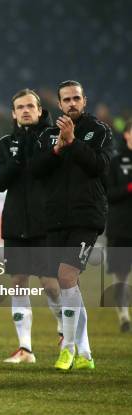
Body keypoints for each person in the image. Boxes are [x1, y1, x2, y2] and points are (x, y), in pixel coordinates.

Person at [32, 80, 112, 370]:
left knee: (66, 277)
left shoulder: (99, 131)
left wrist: (73, 142)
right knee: (68, 285)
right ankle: (86, 353)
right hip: (56, 218)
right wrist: (56, 148)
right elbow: (36, 171)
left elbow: (99, 167)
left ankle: (66, 348)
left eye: (76, 98)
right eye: (66, 100)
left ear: (85, 100)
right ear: (58, 103)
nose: (72, 104)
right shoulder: (48, 136)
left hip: (86, 216)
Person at [0, 89, 63, 363]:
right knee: (18, 282)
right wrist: (16, 160)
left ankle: (64, 330)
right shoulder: (6, 144)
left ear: (41, 110)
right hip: (16, 222)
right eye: (20, 107)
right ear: (13, 113)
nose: (26, 110)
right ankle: (25, 348)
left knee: (50, 283)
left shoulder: (54, 137)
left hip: (46, 224)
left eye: (31, 106)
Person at [105, 119, 132, 333]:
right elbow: (109, 194)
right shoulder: (115, 162)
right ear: (127, 135)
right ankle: (123, 314)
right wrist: (129, 188)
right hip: (121, 227)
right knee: (121, 274)